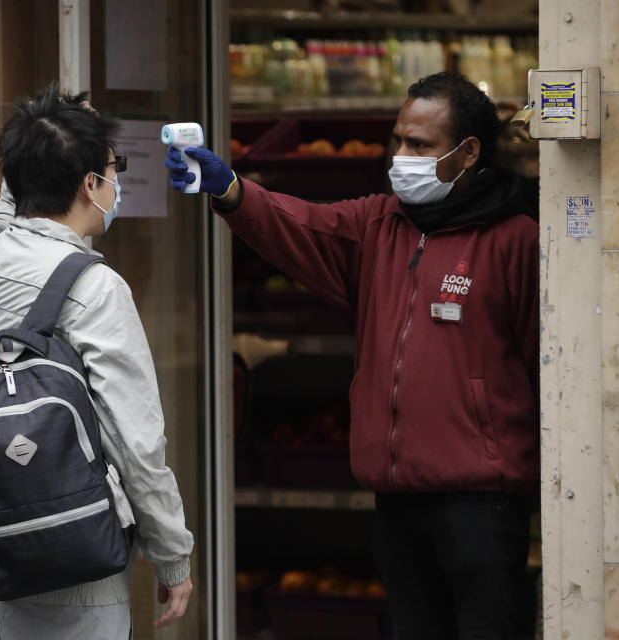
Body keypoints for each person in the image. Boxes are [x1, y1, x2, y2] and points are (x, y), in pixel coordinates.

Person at [166, 71, 538, 640]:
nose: (401, 156)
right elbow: (301, 226)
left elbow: (548, 361)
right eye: (398, 140)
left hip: (481, 503)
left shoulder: (516, 238)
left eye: (420, 145)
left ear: (468, 153)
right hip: (396, 498)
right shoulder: (379, 223)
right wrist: (231, 190)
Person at [0, 86, 194, 639]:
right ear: (88, 184)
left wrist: (49, 142)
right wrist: (172, 554)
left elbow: (10, 202)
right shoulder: (97, 289)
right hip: (72, 559)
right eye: (111, 169)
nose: (115, 181)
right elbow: (136, 440)